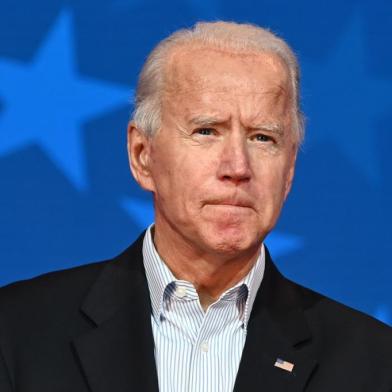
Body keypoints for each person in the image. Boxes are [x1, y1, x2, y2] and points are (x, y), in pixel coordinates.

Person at [0, 21, 391, 392]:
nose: (238, 167)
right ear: (142, 155)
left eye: (262, 138)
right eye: (207, 131)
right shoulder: (16, 331)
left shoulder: (374, 363)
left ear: (288, 170)